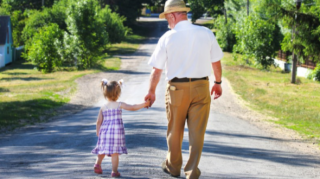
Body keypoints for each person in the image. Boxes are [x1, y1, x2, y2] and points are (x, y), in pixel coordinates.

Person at [144, 0, 224, 178]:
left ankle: (173, 167)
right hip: (201, 87)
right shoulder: (206, 33)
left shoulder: (168, 37)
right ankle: (192, 171)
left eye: (166, 17)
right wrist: (217, 83)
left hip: (176, 89)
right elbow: (216, 61)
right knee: (197, 132)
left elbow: (156, 71)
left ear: (172, 15)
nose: (167, 21)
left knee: (175, 129)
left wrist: (151, 91)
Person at [92, 79, 150, 177]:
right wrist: (144, 104)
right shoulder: (119, 105)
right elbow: (132, 107)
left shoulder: (103, 107)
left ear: (105, 93)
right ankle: (114, 171)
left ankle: (97, 164)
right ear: (118, 93)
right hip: (116, 133)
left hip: (104, 133)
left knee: (102, 149)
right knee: (115, 153)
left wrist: (98, 133)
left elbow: (98, 121)